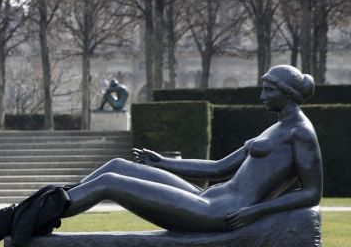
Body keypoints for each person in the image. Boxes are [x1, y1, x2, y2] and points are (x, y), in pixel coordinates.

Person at [63, 65, 322, 232]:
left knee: (109, 182)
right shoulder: (277, 128)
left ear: (286, 93)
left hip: (218, 212)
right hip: (208, 197)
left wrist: (255, 213)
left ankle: (37, 214)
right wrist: (162, 162)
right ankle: (51, 200)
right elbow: (218, 168)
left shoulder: (300, 132)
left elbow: (311, 193)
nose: (261, 96)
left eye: (268, 90)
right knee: (117, 166)